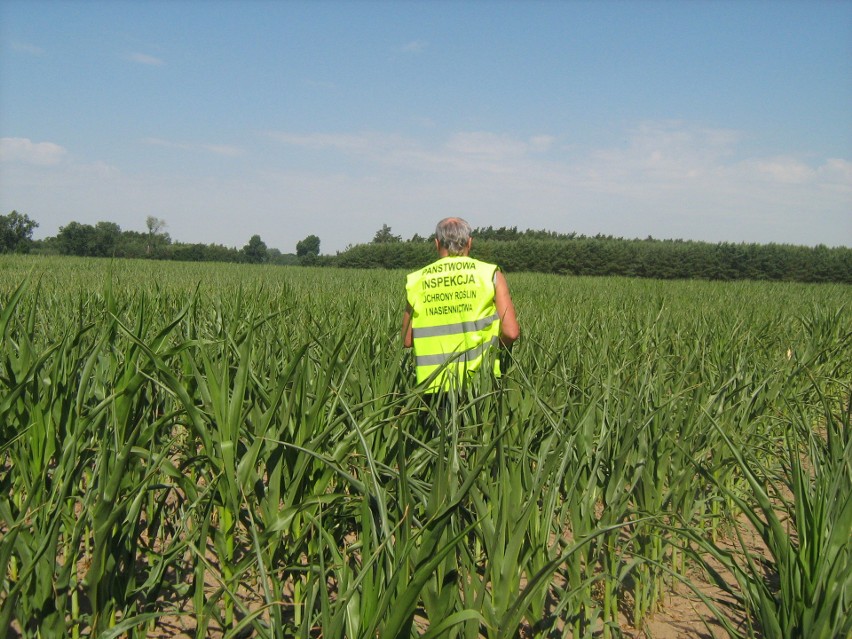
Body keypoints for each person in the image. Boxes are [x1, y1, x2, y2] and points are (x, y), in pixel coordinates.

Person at [402, 217, 519, 392]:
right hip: (480, 382)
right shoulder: (489, 274)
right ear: (469, 243)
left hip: (433, 386)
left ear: (436, 243)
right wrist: (490, 349)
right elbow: (511, 332)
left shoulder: (416, 280)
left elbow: (407, 339)